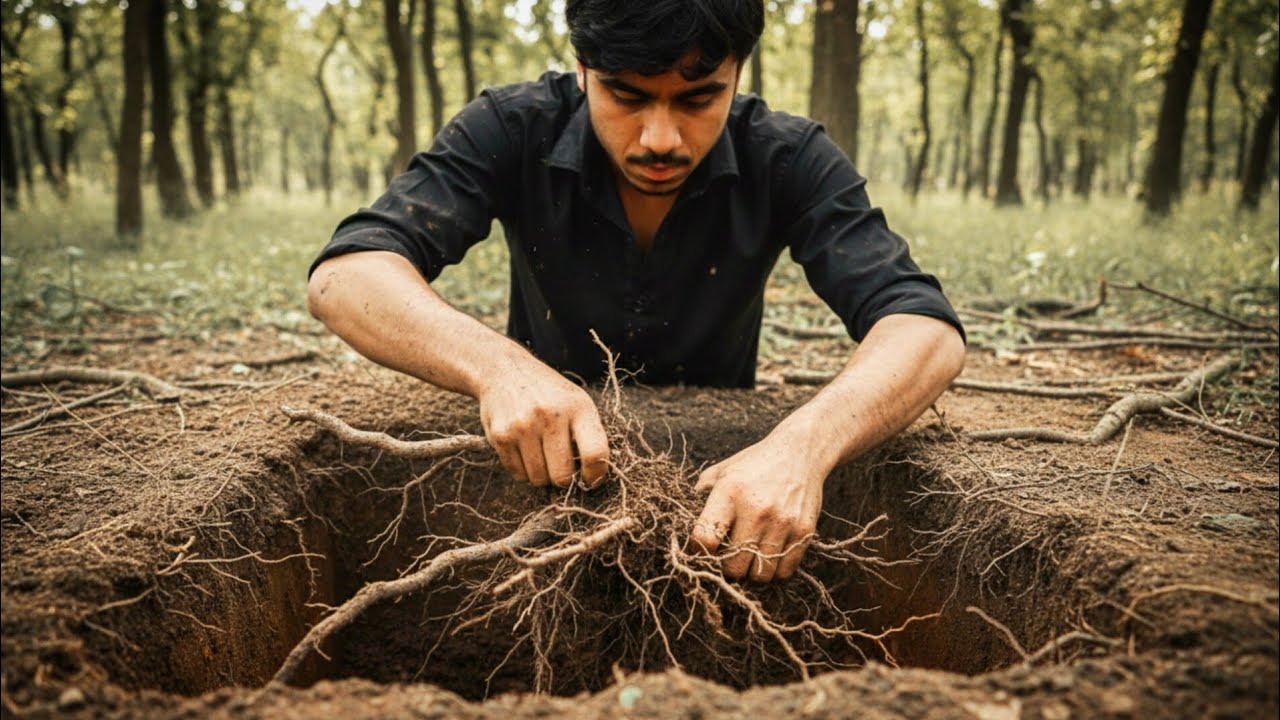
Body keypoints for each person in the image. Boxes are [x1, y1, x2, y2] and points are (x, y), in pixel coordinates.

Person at [306, 0, 965, 585]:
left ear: (739, 71)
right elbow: (348, 274)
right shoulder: (511, 127)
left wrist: (804, 448)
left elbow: (923, 328)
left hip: (719, 491)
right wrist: (498, 368)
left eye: (698, 98)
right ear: (582, 66)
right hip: (540, 479)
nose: (659, 139)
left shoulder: (788, 158)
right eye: (625, 95)